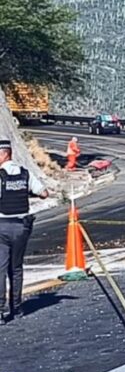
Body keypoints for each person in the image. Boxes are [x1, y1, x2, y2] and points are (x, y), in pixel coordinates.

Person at [0, 139, 49, 324]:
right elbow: (44, 193)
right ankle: (17, 308)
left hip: (2, 226)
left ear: (4, 154)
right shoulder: (25, 174)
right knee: (16, 268)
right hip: (21, 227)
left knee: (0, 269)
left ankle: (0, 311)